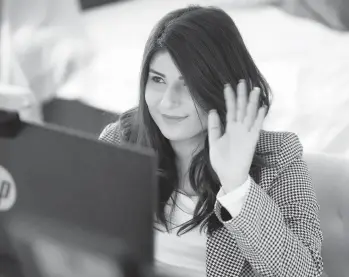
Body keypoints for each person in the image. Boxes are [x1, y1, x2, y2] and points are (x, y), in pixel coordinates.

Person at [99, 5, 324, 277]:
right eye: (158, 79)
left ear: (220, 86)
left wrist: (237, 186)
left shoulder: (280, 158)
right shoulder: (119, 141)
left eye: (188, 84)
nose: (168, 101)